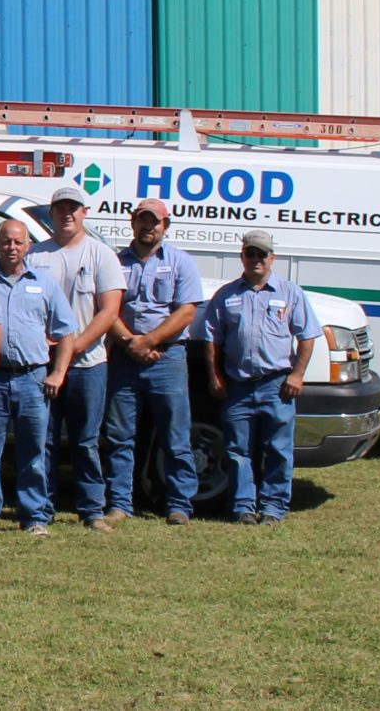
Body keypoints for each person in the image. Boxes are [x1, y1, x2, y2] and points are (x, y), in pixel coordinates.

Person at [198, 230, 320, 526]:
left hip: (276, 386)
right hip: (238, 386)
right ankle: (242, 507)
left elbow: (307, 337)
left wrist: (298, 375)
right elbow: (211, 340)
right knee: (238, 451)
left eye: (261, 254)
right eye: (250, 253)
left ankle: (273, 507)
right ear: (242, 256)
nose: (255, 259)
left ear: (272, 258)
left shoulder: (290, 293)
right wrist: (214, 376)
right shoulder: (226, 295)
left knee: (277, 449)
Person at [106, 199, 206, 526]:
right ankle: (120, 503)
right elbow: (106, 307)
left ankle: (179, 504)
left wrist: (149, 341)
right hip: (124, 356)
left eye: (155, 221)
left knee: (175, 435)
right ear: (132, 222)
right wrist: (130, 341)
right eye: (142, 220)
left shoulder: (181, 262)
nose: (148, 227)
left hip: (168, 357)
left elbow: (187, 311)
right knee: (120, 435)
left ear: (166, 225)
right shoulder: (115, 261)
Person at [0, 220, 80, 538]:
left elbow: (66, 331)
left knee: (34, 449)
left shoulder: (44, 283)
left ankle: (34, 515)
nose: (12, 247)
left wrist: (59, 372)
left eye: (19, 242)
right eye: (6, 241)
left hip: (33, 378)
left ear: (28, 246)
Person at [32, 187, 126, 531]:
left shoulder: (101, 254)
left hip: (89, 365)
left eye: (73, 208)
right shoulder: (36, 255)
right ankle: (41, 509)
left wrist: (71, 350)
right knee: (43, 440)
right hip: (43, 364)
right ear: (52, 213)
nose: (66, 214)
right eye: (60, 208)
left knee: (86, 441)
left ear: (84, 212)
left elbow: (109, 311)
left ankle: (91, 510)